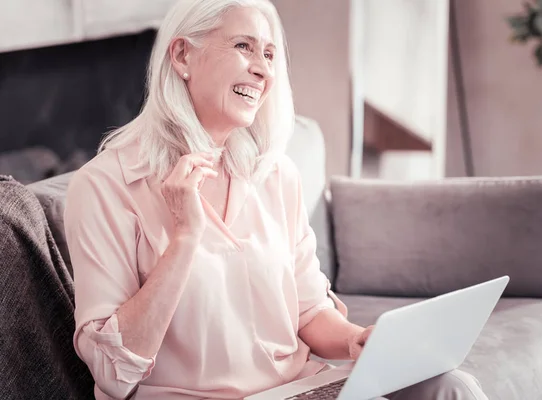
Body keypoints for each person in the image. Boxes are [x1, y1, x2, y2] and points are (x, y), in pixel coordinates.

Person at [63, 0, 489, 399]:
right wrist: (184, 239)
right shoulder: (104, 186)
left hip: (294, 390)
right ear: (182, 57)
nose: (263, 70)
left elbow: (308, 310)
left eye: (269, 55)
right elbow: (112, 374)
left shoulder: (275, 175)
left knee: (452, 387)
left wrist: (355, 339)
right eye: (243, 46)